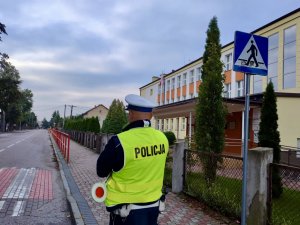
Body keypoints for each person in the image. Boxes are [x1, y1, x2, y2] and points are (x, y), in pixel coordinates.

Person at [96, 94, 169, 225]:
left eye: (129, 112)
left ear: (131, 114)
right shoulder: (163, 139)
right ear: (151, 116)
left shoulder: (119, 141)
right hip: (154, 207)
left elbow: (101, 171)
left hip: (126, 212)